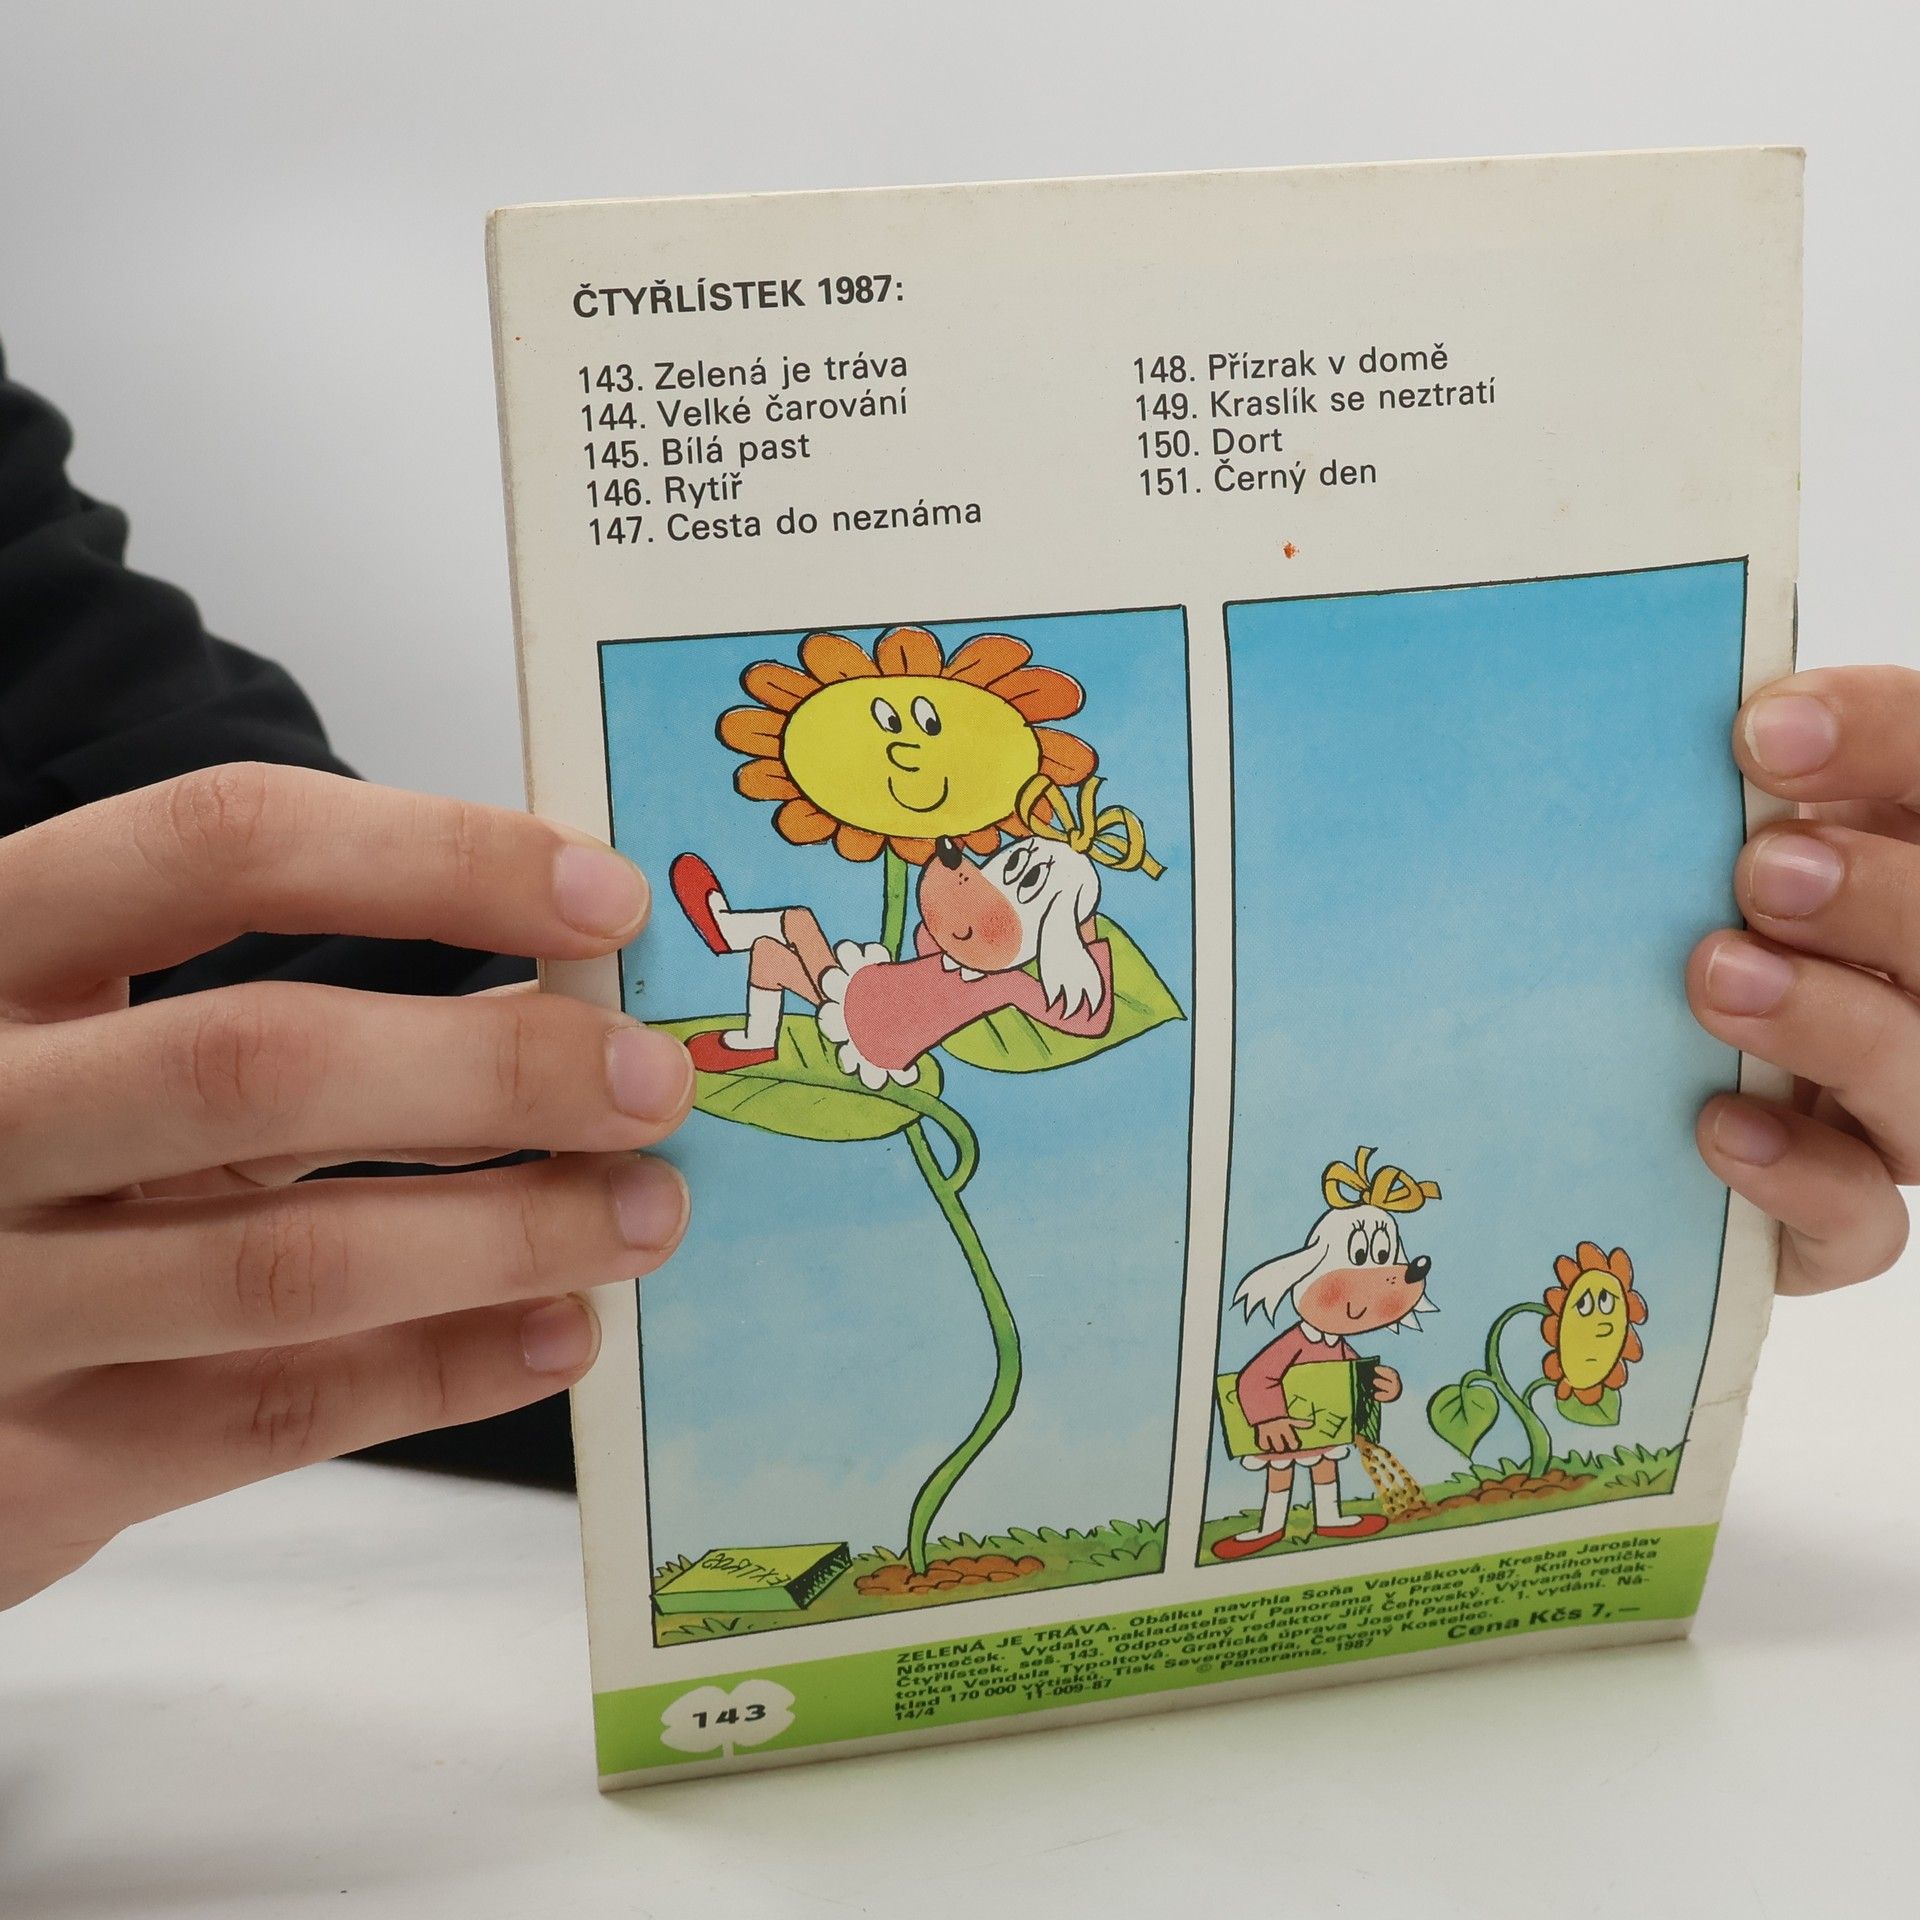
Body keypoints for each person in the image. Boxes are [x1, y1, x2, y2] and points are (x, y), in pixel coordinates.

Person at [0, 339, 1910, 1612]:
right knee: (799, 980)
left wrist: (1619, 1052)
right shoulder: (958, 950)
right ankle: (762, 964)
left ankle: (759, 968)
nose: (951, 860)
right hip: (861, 1055)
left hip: (870, 1097)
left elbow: (274, 1013)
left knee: (792, 996)